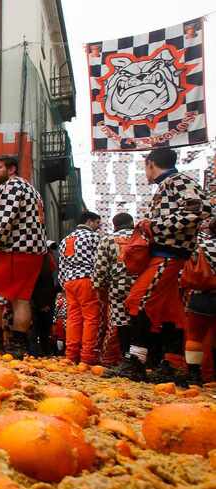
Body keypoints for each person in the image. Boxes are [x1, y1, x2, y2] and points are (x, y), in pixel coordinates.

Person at [117, 147, 211, 382]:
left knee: (138, 300)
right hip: (171, 254)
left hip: (167, 255)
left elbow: (202, 208)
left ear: (150, 163)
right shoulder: (173, 183)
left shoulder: (176, 181)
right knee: (172, 313)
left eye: (144, 167)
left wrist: (155, 225)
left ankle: (136, 361)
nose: (145, 172)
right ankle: (172, 364)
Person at [0, 155, 47, 357]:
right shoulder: (32, 190)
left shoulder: (10, 187)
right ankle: (19, 346)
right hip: (35, 252)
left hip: (15, 249)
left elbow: (2, 223)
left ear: (12, 169)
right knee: (21, 300)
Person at [58, 211, 102, 365]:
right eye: (97, 223)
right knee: (91, 317)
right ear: (89, 221)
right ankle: (87, 356)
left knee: (73, 318)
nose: (98, 227)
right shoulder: (94, 237)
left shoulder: (65, 240)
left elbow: (61, 265)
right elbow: (99, 262)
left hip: (69, 282)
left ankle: (71, 355)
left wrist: (63, 283)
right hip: (87, 279)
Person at [92, 212, 136, 365]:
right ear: (132, 222)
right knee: (141, 321)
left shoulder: (107, 239)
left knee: (122, 322)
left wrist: (99, 288)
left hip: (118, 286)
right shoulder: (143, 238)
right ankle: (143, 360)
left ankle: (126, 357)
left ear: (115, 225)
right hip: (142, 286)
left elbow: (100, 268)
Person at [181, 218, 216, 386]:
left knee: (195, 336)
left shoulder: (200, 246)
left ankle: (194, 375)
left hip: (200, 296)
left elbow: (186, 270)